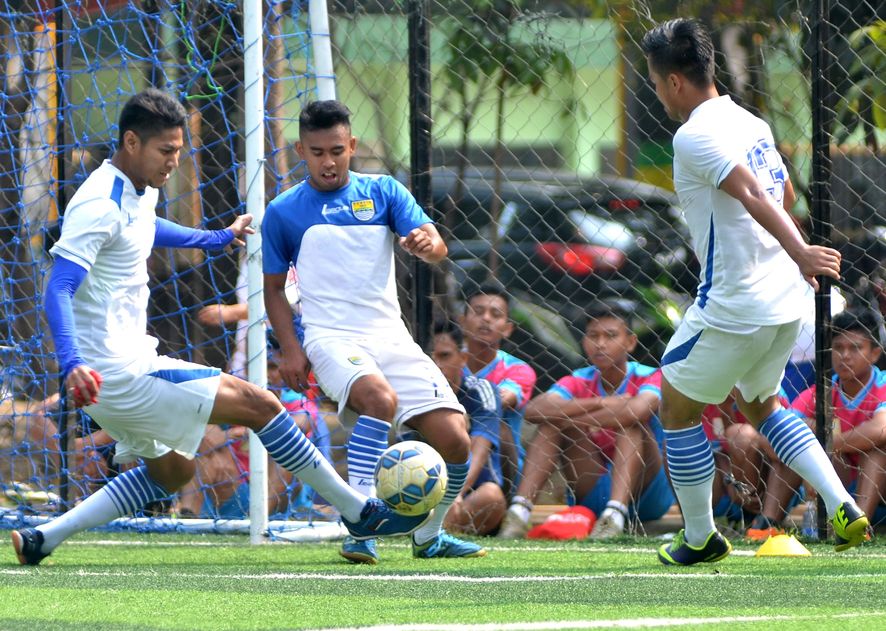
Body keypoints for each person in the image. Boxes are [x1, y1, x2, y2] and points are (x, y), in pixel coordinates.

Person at [11, 89, 426, 566]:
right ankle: (358, 510)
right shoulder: (99, 203)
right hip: (115, 372)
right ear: (130, 142)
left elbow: (148, 227)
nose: (173, 162)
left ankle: (45, 536)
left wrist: (216, 237)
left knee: (172, 472)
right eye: (165, 152)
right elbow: (58, 287)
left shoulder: (133, 189)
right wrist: (72, 364)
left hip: (116, 374)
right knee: (261, 404)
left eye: (178, 151)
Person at [640, 19, 868, 566]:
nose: (656, 92)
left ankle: (698, 536)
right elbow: (783, 190)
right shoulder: (752, 122)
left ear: (673, 82)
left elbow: (747, 193)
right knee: (761, 403)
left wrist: (801, 252)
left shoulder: (693, 133)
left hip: (736, 302)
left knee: (675, 405)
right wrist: (796, 259)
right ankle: (843, 507)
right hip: (784, 302)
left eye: (653, 81)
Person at [261, 100, 484, 564]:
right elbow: (274, 291)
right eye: (318, 151)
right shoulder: (282, 212)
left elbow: (436, 246)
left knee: (456, 437)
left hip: (390, 335)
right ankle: (361, 526)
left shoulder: (383, 192)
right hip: (330, 337)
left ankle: (430, 537)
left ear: (353, 146)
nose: (328, 161)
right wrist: (291, 349)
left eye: (337, 151)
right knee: (379, 401)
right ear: (301, 149)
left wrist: (429, 244)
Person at [497, 302, 673, 539]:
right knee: (553, 424)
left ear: (630, 342)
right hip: (594, 490)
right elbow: (534, 410)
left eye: (610, 336)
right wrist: (602, 403)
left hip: (648, 493)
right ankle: (518, 514)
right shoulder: (580, 379)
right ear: (584, 342)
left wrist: (575, 416)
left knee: (630, 425)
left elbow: (635, 412)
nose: (600, 343)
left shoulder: (650, 375)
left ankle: (614, 516)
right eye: (593, 336)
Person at [790, 308, 886, 524]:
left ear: (875, 353)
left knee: (878, 451)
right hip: (843, 472)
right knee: (799, 446)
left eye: (855, 348)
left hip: (879, 480)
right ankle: (767, 521)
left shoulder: (882, 383)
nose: (845, 356)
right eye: (838, 348)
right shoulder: (823, 390)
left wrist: (823, 442)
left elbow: (880, 429)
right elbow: (785, 424)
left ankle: (859, 525)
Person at [427, 322, 508, 535]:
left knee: (491, 496)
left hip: (468, 492)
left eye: (444, 356)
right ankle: (436, 530)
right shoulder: (412, 396)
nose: (436, 365)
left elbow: (479, 451)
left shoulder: (482, 391)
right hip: (422, 492)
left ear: (463, 359)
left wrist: (452, 494)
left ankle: (431, 530)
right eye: (429, 358)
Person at [460, 284, 537, 496]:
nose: (486, 319)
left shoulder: (518, 370)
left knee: (498, 424)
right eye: (478, 311)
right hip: (451, 450)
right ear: (462, 321)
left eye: (495, 314)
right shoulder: (448, 359)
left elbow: (498, 401)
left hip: (500, 466)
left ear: (507, 329)